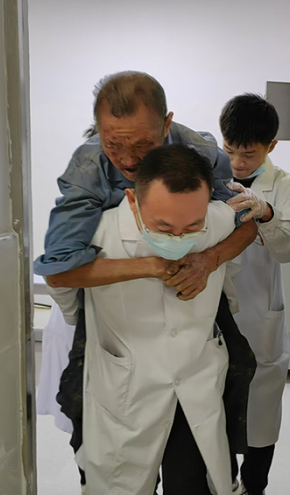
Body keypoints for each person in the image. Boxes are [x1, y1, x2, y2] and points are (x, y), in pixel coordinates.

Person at [34, 72, 257, 491]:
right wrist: (148, 266)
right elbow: (58, 271)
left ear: (166, 125)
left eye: (142, 145)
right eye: (114, 144)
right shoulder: (90, 181)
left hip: (196, 363)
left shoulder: (205, 160)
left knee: (196, 473)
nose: (128, 158)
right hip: (121, 368)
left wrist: (208, 260)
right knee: (114, 473)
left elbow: (245, 220)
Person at [50, 145, 239, 494]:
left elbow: (246, 227)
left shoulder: (216, 219)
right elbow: (60, 281)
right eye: (163, 226)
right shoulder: (100, 233)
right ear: (133, 201)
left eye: (192, 226)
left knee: (194, 482)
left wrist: (210, 259)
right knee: (122, 482)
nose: (179, 238)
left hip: (197, 379)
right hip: (127, 389)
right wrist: (80, 316)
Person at [221, 94, 290, 495]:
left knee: (260, 417)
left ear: (271, 146)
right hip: (214, 314)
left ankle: (255, 487)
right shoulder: (211, 177)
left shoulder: (287, 187)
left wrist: (267, 213)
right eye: (230, 150)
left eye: (249, 154)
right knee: (214, 413)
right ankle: (224, 483)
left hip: (259, 317)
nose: (237, 162)